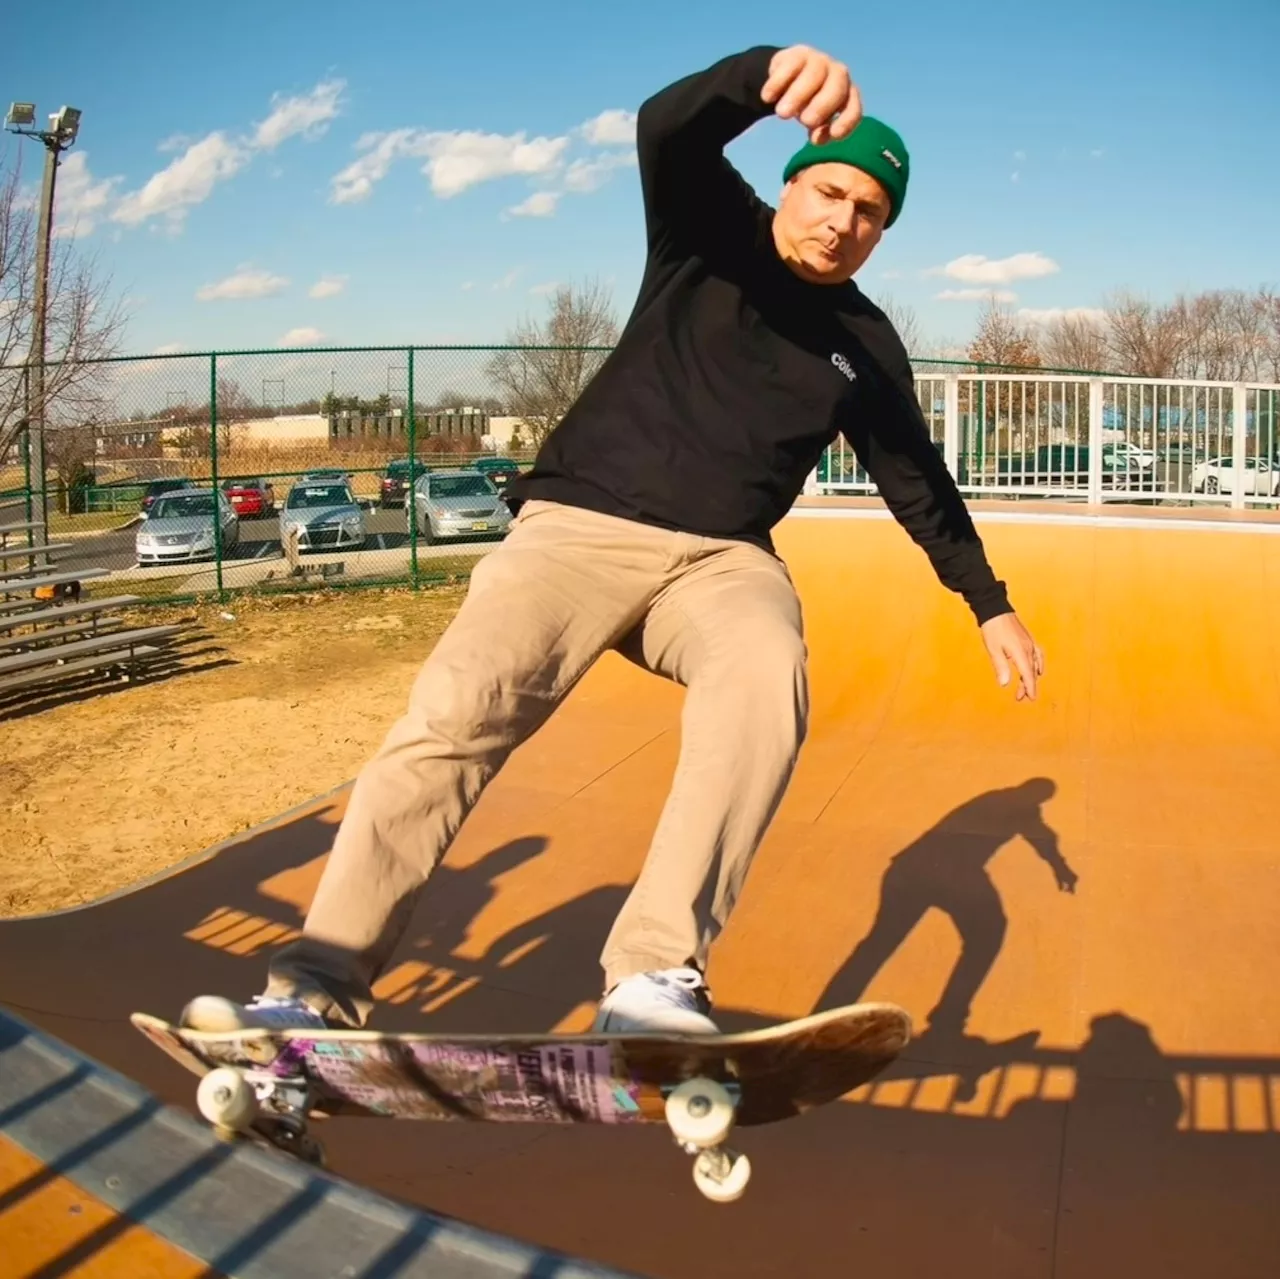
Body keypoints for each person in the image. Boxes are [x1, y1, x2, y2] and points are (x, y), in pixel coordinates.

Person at [182, 43, 1043, 1040]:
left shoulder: (864, 340)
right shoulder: (708, 228)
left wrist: (987, 601)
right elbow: (663, 127)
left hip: (720, 562)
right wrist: (764, 73)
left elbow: (916, 482)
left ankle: (652, 978)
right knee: (458, 709)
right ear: (791, 182)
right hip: (579, 526)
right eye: (830, 193)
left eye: (868, 214)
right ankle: (313, 986)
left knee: (768, 673)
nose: (841, 223)